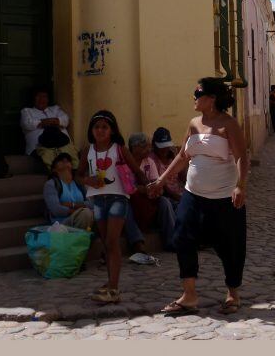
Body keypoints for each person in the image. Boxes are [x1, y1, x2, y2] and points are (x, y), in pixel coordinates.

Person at [148, 78, 250, 316]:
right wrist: (161, 180)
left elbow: (241, 157)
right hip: (193, 195)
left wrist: (240, 186)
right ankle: (189, 294)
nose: (193, 97)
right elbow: (183, 156)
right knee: (183, 237)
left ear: (212, 98)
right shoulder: (194, 124)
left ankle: (232, 293)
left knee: (230, 245)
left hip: (224, 197)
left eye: (198, 92)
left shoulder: (229, 124)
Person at [78, 110, 147, 304]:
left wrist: (149, 185)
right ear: (91, 130)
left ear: (112, 130)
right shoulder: (87, 150)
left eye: (104, 127)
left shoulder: (119, 149)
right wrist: (87, 180)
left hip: (118, 198)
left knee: (112, 240)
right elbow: (79, 174)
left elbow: (136, 170)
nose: (100, 131)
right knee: (107, 243)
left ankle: (114, 288)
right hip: (98, 199)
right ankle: (110, 283)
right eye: (96, 127)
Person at [128, 132, 177, 252]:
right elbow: (128, 188)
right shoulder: (125, 162)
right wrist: (144, 189)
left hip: (148, 199)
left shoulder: (149, 161)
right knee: (124, 206)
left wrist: (156, 190)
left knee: (165, 202)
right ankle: (137, 243)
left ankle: (172, 241)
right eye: (145, 147)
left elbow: (156, 183)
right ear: (135, 148)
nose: (149, 149)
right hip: (131, 200)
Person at [21, 87, 79, 170]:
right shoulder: (27, 111)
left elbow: (65, 120)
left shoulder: (55, 109)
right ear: (34, 98)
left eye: (44, 96)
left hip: (62, 145)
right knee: (51, 161)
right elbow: (27, 123)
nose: (42, 99)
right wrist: (53, 122)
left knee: (71, 157)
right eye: (39, 96)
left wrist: (43, 123)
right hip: (40, 148)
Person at [43, 152, 93, 229]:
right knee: (86, 214)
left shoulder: (78, 183)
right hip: (62, 223)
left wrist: (72, 204)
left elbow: (91, 204)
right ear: (54, 169)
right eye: (60, 160)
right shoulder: (51, 184)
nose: (65, 161)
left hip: (83, 216)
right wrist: (79, 211)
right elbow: (56, 210)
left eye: (68, 160)